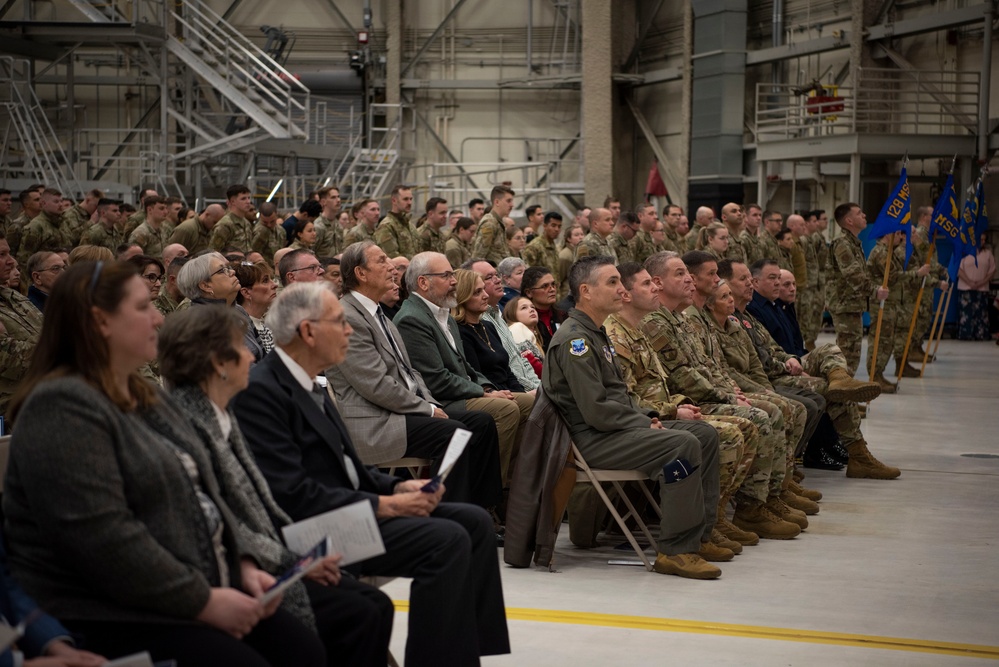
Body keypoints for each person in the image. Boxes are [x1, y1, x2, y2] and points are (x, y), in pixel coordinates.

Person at [3, 261, 326, 666]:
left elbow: (205, 490)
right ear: (101, 321)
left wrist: (241, 563)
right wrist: (204, 600)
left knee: (303, 648)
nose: (159, 317)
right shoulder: (61, 406)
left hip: (194, 578)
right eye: (142, 308)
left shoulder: (140, 393)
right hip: (111, 609)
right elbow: (106, 540)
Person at [231, 281, 510, 667]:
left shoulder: (309, 382)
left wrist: (399, 485)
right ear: (308, 332)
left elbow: (349, 468)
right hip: (312, 529)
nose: (349, 331)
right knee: (445, 540)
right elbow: (289, 493)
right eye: (340, 322)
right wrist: (388, 504)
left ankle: (462, 654)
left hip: (345, 512)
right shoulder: (262, 391)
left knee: (474, 521)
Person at [159, 306, 394, 667]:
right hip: (238, 566)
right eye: (241, 347)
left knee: (373, 604)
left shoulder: (219, 412)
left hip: (271, 546)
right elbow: (225, 520)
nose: (252, 355)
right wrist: (293, 561)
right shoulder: (188, 422)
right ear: (218, 363)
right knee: (359, 612)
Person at [543, 256, 725, 578]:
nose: (621, 290)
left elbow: (619, 396)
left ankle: (699, 537)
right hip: (590, 441)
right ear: (586, 291)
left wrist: (649, 415)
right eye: (612, 282)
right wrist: (643, 422)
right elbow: (597, 410)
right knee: (682, 444)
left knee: (704, 435)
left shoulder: (596, 333)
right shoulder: (577, 341)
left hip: (613, 431)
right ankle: (675, 551)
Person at [326, 241, 503, 512]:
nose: (391, 267)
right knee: (453, 432)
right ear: (361, 274)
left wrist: (433, 405)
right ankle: (448, 514)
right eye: (382, 261)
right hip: (375, 420)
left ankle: (482, 511)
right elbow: (375, 385)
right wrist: (428, 409)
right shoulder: (348, 315)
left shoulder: (377, 313)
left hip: (400, 411)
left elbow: (412, 373)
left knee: (481, 422)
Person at [394, 252, 532, 489]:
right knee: (505, 409)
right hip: (442, 400)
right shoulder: (412, 319)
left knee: (529, 404)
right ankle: (487, 490)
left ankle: (511, 486)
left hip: (460, 392)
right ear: (423, 282)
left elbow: (464, 366)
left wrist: (487, 387)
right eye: (446, 275)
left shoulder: (442, 314)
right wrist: (483, 393)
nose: (454, 281)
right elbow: (436, 379)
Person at [829, 202, 888, 375]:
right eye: (859, 213)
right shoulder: (842, 243)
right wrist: (874, 291)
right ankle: (840, 397)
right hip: (844, 304)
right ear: (849, 220)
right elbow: (853, 275)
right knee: (847, 353)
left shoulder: (853, 243)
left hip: (853, 304)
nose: (864, 216)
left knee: (852, 354)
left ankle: (847, 397)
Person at [452, 269, 529, 395]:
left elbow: (507, 371)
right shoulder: (460, 331)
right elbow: (477, 375)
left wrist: (520, 392)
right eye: (477, 292)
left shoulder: (488, 326)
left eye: (483, 289)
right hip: (492, 395)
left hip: (510, 392)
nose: (485, 295)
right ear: (463, 297)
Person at [178, 252, 264, 361]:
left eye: (229, 268)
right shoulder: (200, 324)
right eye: (223, 270)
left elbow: (262, 354)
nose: (232, 272)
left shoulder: (238, 310)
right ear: (205, 285)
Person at [957, 234, 996, 340]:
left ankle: (981, 335)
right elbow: (958, 269)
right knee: (966, 313)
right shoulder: (964, 252)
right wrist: (970, 282)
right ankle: (966, 335)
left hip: (982, 288)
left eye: (984, 240)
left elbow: (992, 270)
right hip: (966, 287)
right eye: (980, 239)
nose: (982, 242)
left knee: (981, 313)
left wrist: (981, 282)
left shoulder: (987, 254)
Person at [235, 262, 277, 354]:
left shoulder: (267, 326)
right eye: (265, 281)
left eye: (272, 279)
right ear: (246, 292)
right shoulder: (241, 331)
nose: (274, 285)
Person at [521, 266, 564, 352]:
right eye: (545, 286)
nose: (552, 289)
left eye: (553, 284)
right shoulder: (523, 321)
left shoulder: (563, 315)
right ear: (529, 292)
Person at [503, 296, 544, 376]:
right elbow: (530, 363)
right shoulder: (516, 327)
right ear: (512, 314)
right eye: (524, 308)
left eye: (533, 307)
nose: (531, 310)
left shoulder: (526, 332)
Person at [557, 224, 584, 298]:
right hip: (568, 295)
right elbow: (559, 278)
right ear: (569, 239)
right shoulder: (565, 255)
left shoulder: (580, 252)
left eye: (582, 234)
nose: (580, 237)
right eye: (576, 235)